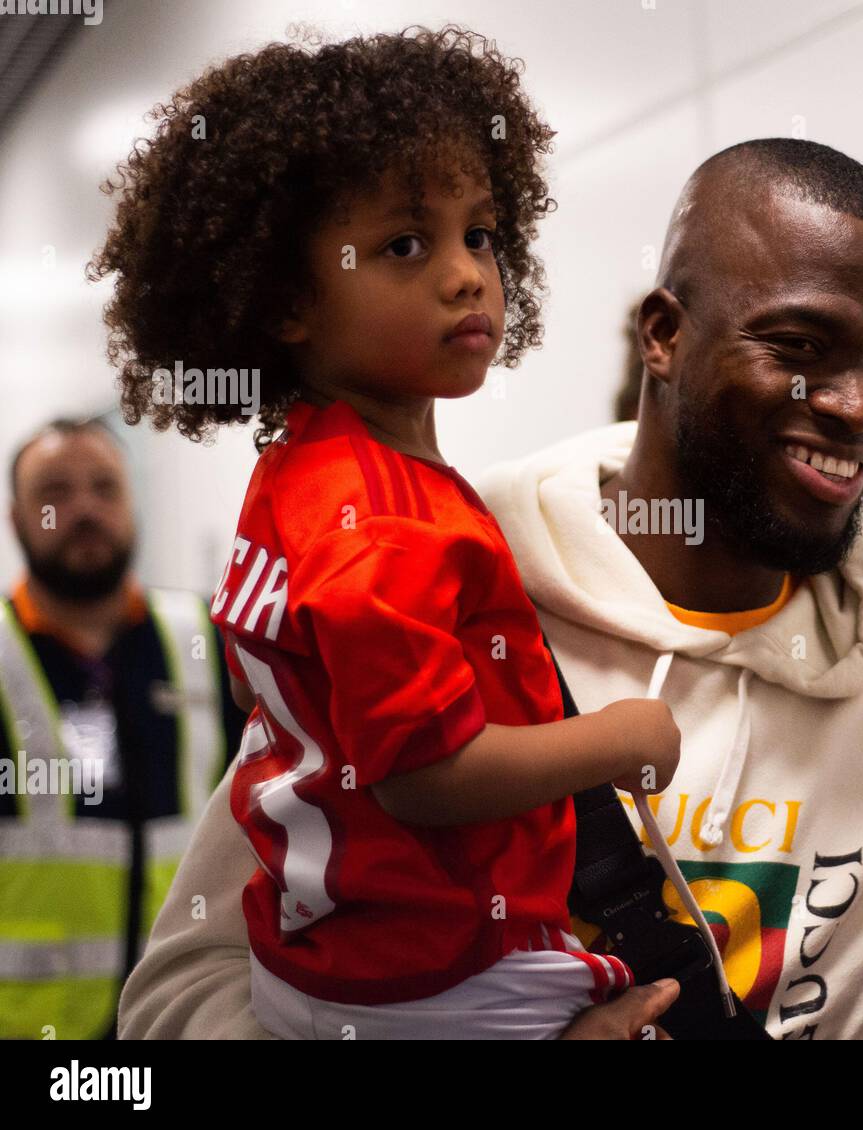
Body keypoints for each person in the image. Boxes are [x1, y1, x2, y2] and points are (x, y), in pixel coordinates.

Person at [119, 136, 863, 1042]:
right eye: (799, 346)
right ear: (664, 334)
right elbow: (183, 987)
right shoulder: (437, 578)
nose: (856, 406)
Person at [89, 26, 686, 1040]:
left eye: (481, 234)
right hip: (440, 983)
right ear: (283, 301)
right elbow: (421, 776)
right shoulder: (379, 519)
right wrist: (615, 740)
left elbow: (273, 687)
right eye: (406, 244)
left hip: (328, 958)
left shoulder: (299, 474)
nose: (465, 275)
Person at [0, 418, 245, 1039]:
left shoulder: (208, 642)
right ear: (16, 518)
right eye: (54, 492)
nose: (83, 508)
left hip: (184, 1016)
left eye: (104, 488)